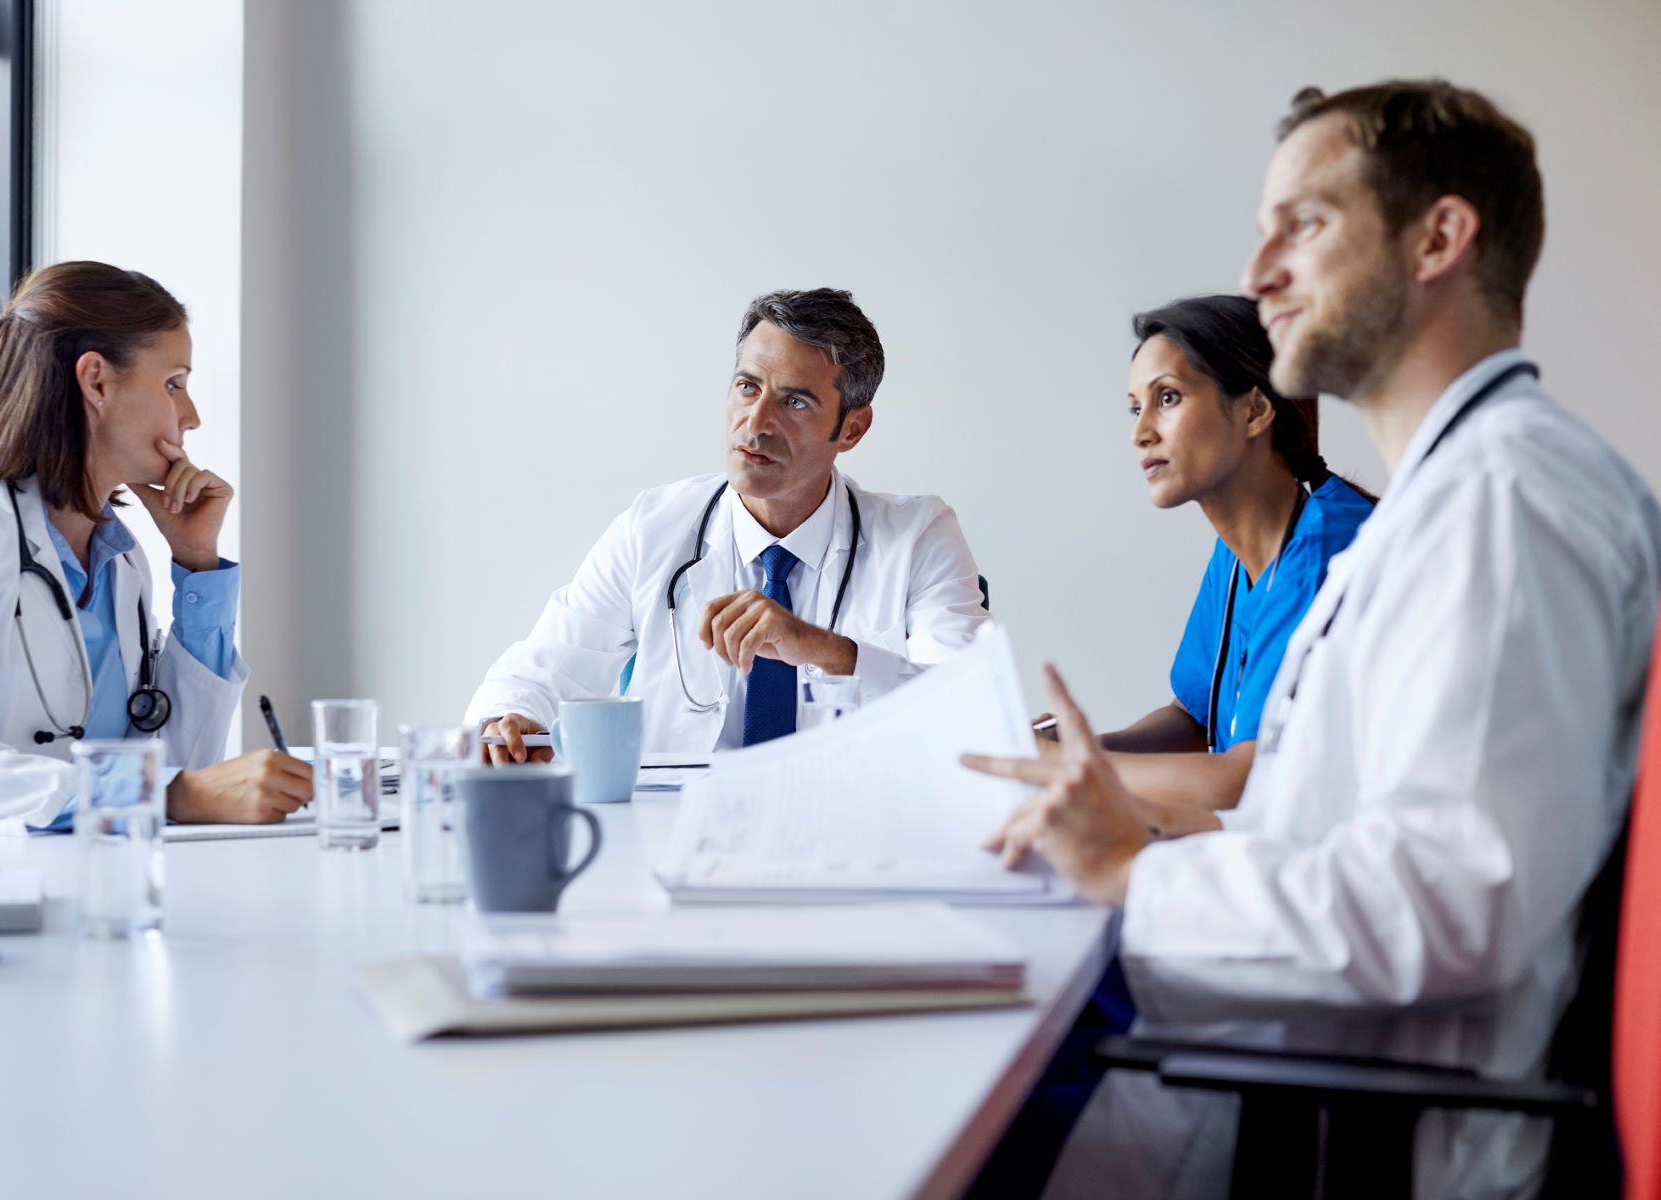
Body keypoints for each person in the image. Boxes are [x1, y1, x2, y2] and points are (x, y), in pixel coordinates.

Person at [966, 80, 1661, 1197]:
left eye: (1305, 224)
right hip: (1279, 1048)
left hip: (1337, 1115)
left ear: (1438, 238)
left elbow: (1447, 902)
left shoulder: (1503, 504)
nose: (1259, 273)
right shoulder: (1443, 503)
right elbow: (1312, 815)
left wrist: (1132, 872)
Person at [0, 261, 312, 842]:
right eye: (174, 384)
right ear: (96, 381)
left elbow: (184, 769)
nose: (192, 417)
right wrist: (172, 793)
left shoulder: (122, 561)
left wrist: (198, 564)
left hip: (88, 876)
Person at [465, 287, 990, 762]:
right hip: (675, 823)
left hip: (850, 824)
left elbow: (971, 709)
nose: (756, 423)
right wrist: (510, 719)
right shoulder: (653, 526)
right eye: (747, 387)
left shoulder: (919, 536)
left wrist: (824, 650)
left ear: (852, 428)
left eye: (796, 402)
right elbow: (546, 664)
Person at [1089, 294, 1371, 835]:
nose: (1140, 432)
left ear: (1255, 411)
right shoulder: (1235, 553)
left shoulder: (1329, 551)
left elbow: (1240, 783)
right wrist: (1085, 747)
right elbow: (1193, 718)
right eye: (1135, 408)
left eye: (1167, 397)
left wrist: (1068, 768)